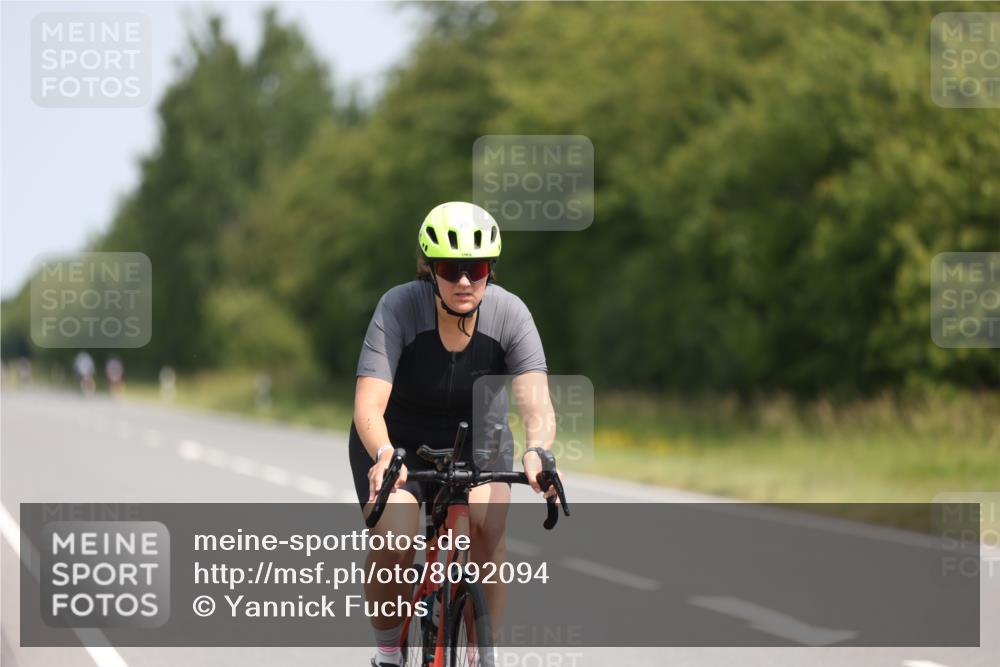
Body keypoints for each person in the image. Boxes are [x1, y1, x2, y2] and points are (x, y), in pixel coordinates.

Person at [349, 201, 559, 667]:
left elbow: (536, 403)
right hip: (396, 440)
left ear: (491, 270)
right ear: (430, 270)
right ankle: (388, 652)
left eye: (477, 269)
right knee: (397, 537)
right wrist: (384, 453)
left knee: (488, 530)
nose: (465, 282)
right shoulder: (399, 306)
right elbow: (368, 404)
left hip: (479, 440)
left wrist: (538, 451)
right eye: (450, 269)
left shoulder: (511, 315)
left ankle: (485, 655)